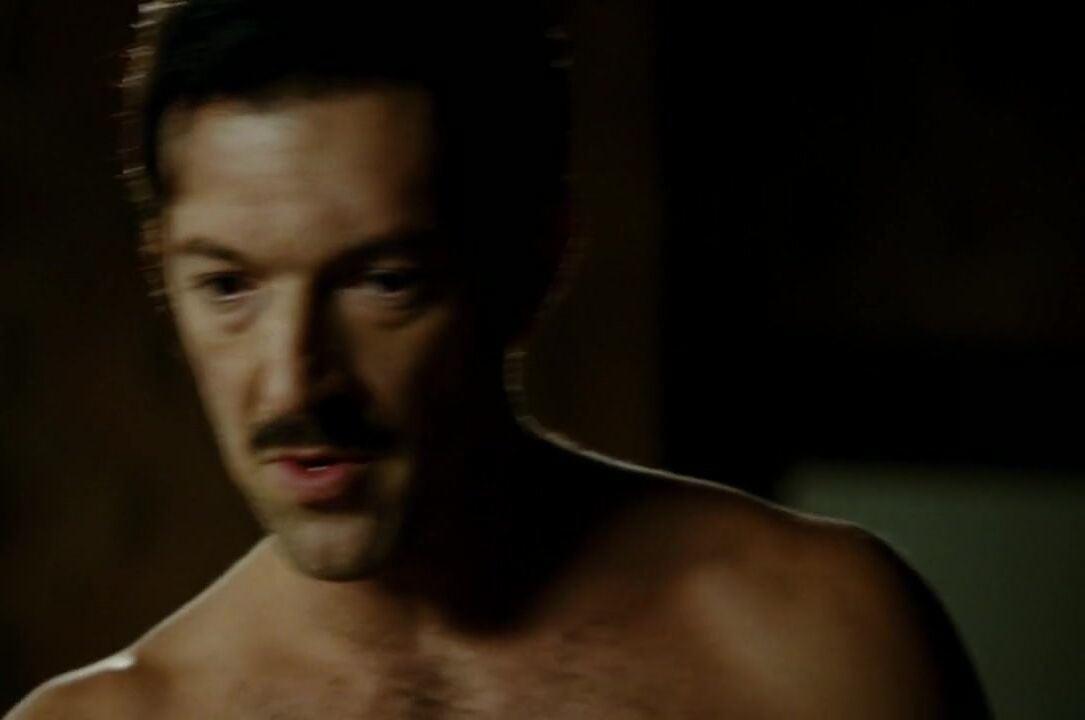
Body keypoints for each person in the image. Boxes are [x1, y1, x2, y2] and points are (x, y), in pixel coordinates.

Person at [6, 1, 990, 717]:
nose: (294, 380)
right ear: (161, 274)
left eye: (383, 281)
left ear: (535, 260)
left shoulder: (819, 643)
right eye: (229, 286)